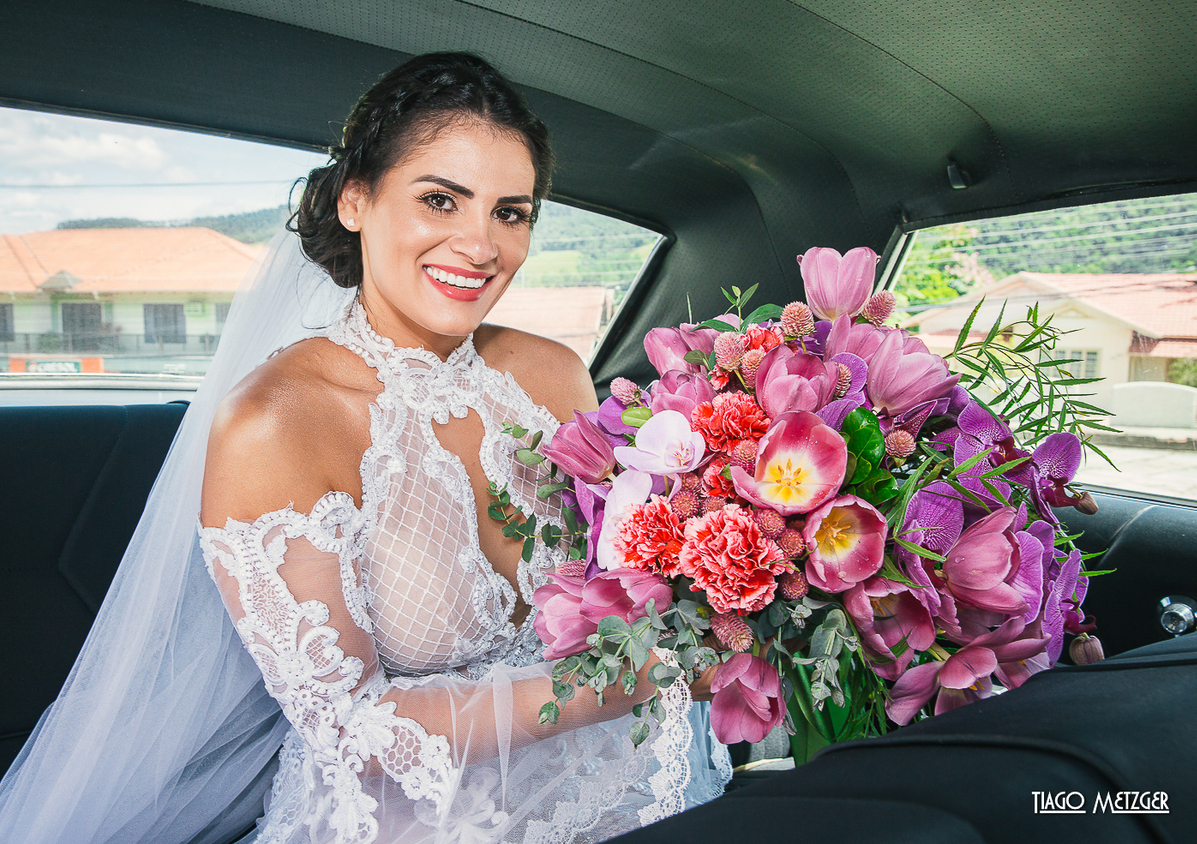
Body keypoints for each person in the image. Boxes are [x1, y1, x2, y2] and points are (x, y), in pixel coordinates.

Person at [0, 53, 728, 844]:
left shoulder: (552, 373)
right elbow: (352, 725)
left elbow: (625, 584)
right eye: (440, 200)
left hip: (639, 795)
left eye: (510, 212)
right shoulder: (276, 420)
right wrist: (616, 685)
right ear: (355, 200)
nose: (480, 245)